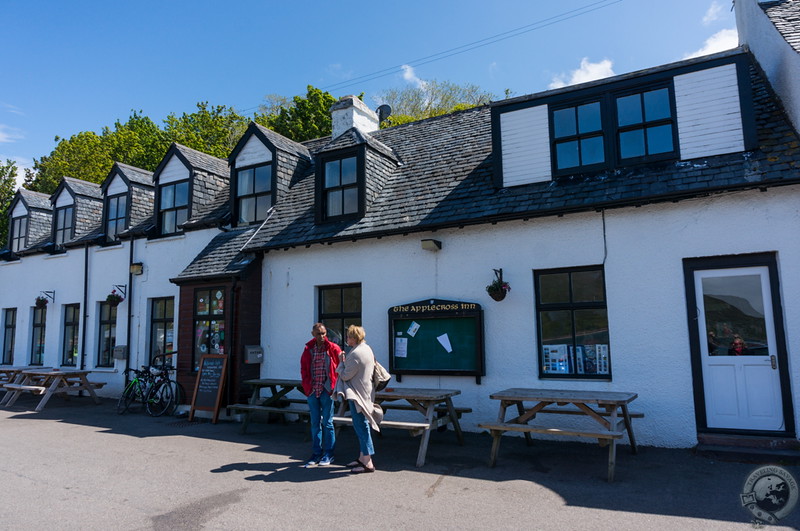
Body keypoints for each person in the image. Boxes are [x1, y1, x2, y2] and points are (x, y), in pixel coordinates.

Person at [335, 325, 383, 474]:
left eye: (348, 336)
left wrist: (341, 362)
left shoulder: (355, 354)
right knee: (361, 426)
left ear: (354, 338)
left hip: (358, 396)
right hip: (365, 393)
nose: (347, 339)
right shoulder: (367, 349)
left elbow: (345, 375)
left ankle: (368, 462)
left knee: (361, 427)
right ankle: (362, 457)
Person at [300, 323, 341, 467]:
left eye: (324, 333)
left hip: (326, 390)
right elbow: (304, 369)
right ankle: (316, 453)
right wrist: (307, 386)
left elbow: (341, 367)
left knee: (327, 423)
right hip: (312, 390)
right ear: (313, 334)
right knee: (315, 423)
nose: (322, 336)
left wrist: (333, 387)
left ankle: (329, 453)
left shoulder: (333, 348)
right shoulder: (308, 349)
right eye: (319, 334)